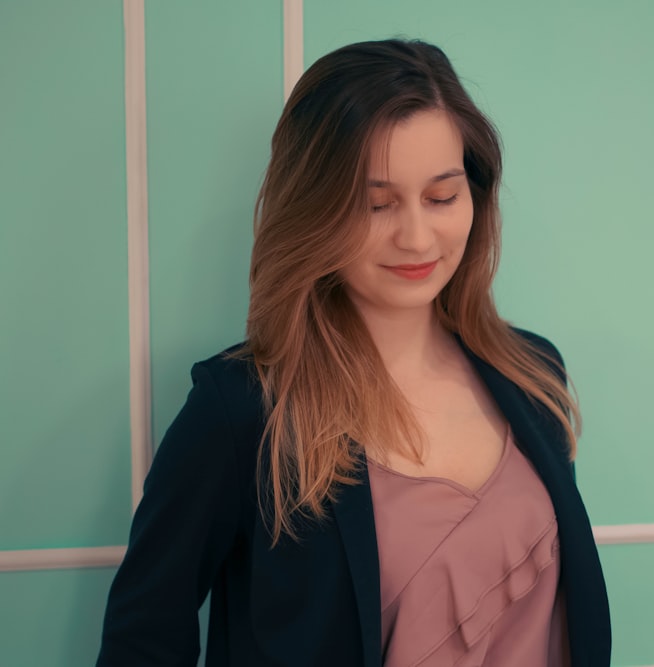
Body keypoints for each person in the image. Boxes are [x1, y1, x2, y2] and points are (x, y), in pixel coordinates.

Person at [96, 38, 611, 667]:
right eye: (376, 204)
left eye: (442, 197)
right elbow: (143, 637)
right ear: (316, 209)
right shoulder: (242, 411)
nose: (417, 236)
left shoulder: (533, 375)